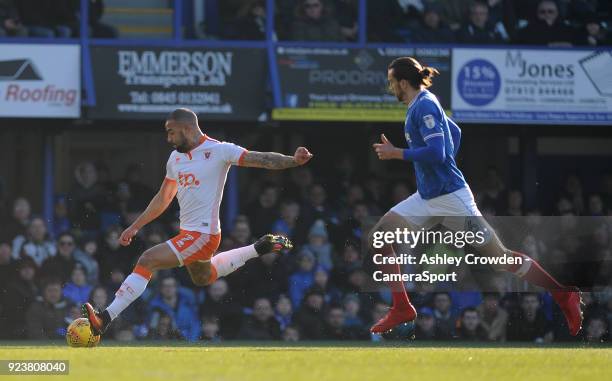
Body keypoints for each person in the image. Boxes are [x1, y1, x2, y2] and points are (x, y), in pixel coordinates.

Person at [368, 56, 583, 337]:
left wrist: (399, 154)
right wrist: (439, 171)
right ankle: (402, 307)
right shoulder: (419, 104)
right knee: (380, 238)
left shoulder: (425, 105)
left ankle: (564, 294)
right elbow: (454, 132)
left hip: (452, 199)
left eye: (391, 81)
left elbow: (438, 153)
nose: (390, 86)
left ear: (404, 82)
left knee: (500, 259)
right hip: (428, 196)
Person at [82, 108, 312, 336]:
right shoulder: (175, 159)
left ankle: (105, 318)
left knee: (147, 260)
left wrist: (293, 160)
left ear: (188, 128)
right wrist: (135, 226)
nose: (168, 138)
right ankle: (258, 248)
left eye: (172, 132)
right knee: (203, 277)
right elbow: (164, 197)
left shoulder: (220, 151)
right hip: (189, 234)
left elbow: (260, 159)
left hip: (203, 235)